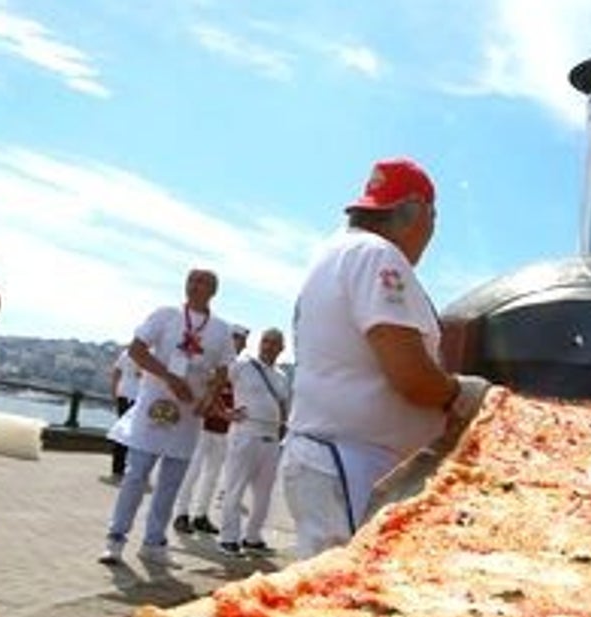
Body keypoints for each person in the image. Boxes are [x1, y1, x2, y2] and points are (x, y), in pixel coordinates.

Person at [280, 157, 488, 559]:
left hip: (332, 458)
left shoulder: (338, 251)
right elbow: (410, 376)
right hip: (351, 465)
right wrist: (461, 394)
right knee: (345, 605)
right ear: (421, 215)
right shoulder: (377, 256)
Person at [100, 269, 237, 566]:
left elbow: (225, 369)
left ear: (213, 290)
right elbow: (136, 350)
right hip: (153, 404)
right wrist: (169, 377)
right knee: (135, 475)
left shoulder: (221, 330)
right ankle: (115, 539)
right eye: (191, 280)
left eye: (202, 282)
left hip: (188, 413)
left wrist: (210, 397)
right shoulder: (166, 315)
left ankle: (153, 543)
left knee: (171, 483)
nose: (195, 286)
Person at [217, 328, 292, 557]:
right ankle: (228, 538)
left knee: (264, 494)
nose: (268, 346)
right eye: (265, 341)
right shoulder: (242, 365)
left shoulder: (282, 377)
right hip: (245, 434)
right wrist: (224, 412)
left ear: (282, 349)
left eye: (274, 343)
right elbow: (213, 382)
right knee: (234, 488)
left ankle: (252, 537)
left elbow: (286, 409)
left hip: (271, 440)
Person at [175, 325, 247, 536]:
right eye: (235, 339)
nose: (239, 344)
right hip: (203, 425)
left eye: (242, 340)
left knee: (212, 474)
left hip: (224, 429)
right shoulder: (217, 364)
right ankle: (181, 513)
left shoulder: (241, 369)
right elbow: (206, 389)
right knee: (193, 471)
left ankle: (201, 515)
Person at [106, 344, 141, 483]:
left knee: (121, 432)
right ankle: (126, 468)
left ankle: (117, 468)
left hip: (123, 394)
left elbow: (116, 373)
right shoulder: (147, 356)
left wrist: (114, 392)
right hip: (136, 397)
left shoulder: (126, 353)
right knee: (133, 435)